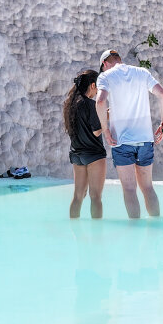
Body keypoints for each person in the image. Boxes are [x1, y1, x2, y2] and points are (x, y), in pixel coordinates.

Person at [95, 48, 163, 218]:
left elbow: (100, 102)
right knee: (148, 188)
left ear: (105, 64)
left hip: (122, 142)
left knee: (129, 190)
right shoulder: (142, 72)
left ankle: (135, 233)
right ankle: (156, 230)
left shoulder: (106, 77)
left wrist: (106, 130)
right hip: (145, 140)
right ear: (119, 59)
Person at [64, 68, 106, 218]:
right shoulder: (90, 104)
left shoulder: (70, 105)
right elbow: (96, 131)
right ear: (93, 85)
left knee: (78, 197)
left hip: (77, 155)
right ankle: (96, 237)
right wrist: (108, 116)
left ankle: (75, 234)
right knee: (95, 198)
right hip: (94, 154)